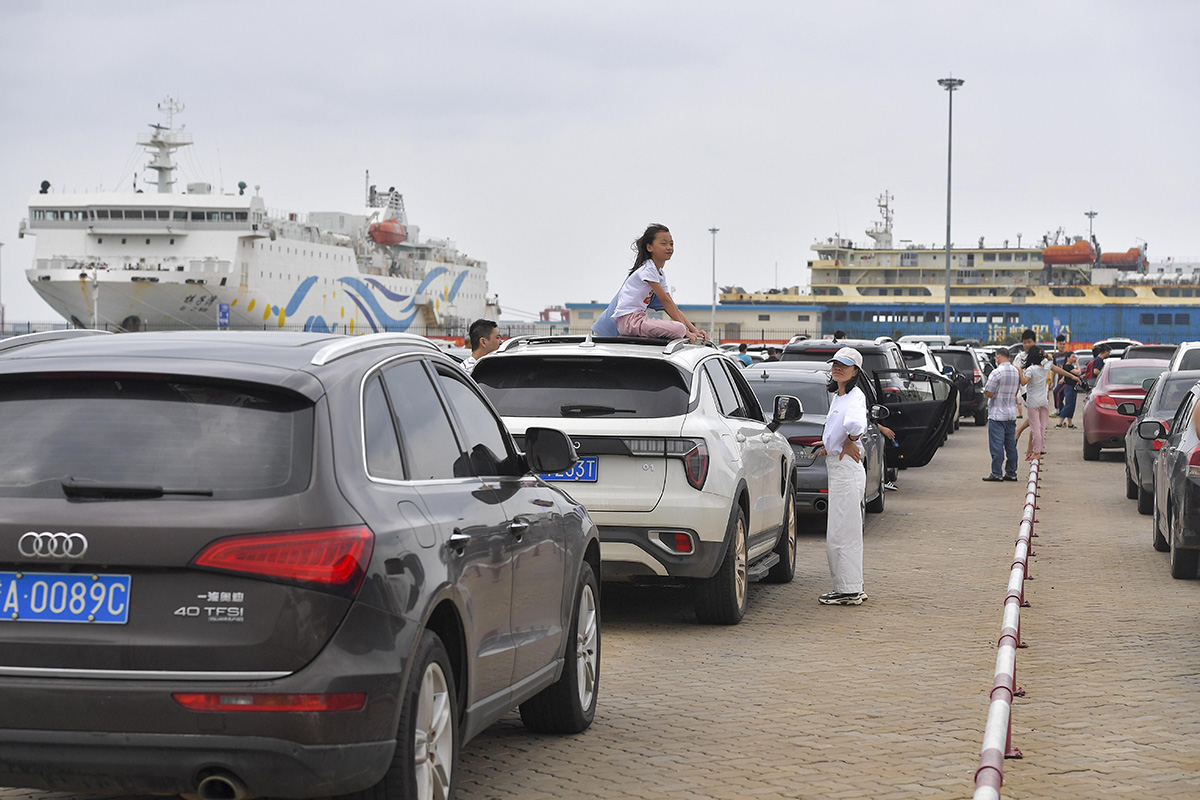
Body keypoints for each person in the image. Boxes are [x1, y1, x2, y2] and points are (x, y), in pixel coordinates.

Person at [812, 346, 869, 606]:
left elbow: (856, 424)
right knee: (841, 531)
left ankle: (850, 591)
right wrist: (829, 444)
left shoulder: (855, 396)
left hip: (847, 468)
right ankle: (848, 587)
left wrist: (850, 440)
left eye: (844, 365)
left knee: (843, 533)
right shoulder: (840, 396)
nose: (837, 368)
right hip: (838, 467)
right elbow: (837, 428)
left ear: (855, 371)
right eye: (835, 364)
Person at [613, 224, 706, 342]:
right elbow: (665, 302)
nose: (669, 247)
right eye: (664, 243)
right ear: (649, 247)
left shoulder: (659, 272)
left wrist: (694, 331)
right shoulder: (648, 269)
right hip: (630, 321)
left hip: (637, 319)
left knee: (680, 328)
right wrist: (686, 331)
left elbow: (672, 306)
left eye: (671, 244)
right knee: (679, 329)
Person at [1019, 345, 1083, 460]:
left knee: (1035, 428)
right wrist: (1073, 377)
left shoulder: (1031, 369)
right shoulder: (1046, 366)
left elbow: (1023, 383)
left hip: (1033, 402)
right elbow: (1058, 368)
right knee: (1042, 428)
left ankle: (1037, 452)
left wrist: (1019, 371)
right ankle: (1036, 451)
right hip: (1044, 402)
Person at [982, 348, 1020, 482]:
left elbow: (989, 392)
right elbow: (1016, 392)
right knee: (1011, 446)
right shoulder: (1016, 371)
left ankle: (997, 473)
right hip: (1011, 414)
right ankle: (1011, 472)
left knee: (997, 446)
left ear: (998, 356)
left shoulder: (996, 372)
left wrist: (986, 393)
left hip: (997, 414)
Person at [1055, 352, 1082, 429]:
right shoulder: (1067, 366)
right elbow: (1078, 372)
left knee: (1072, 405)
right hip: (1069, 387)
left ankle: (1070, 423)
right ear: (1068, 357)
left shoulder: (1070, 366)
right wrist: (1077, 363)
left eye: (1075, 357)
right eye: (1073, 357)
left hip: (1073, 387)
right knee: (1068, 404)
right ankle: (1060, 423)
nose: (1074, 359)